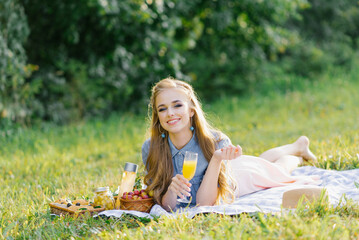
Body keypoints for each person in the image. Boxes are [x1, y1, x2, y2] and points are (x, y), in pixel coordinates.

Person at [141, 77, 319, 212]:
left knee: (278, 170)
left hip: (240, 179)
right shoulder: (151, 149)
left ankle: (296, 151)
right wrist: (172, 191)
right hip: (234, 167)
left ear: (191, 111)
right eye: (162, 109)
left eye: (177, 105)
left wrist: (217, 160)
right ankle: (298, 146)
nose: (170, 113)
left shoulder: (216, 142)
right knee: (262, 161)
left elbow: (204, 203)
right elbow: (166, 205)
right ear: (158, 116)